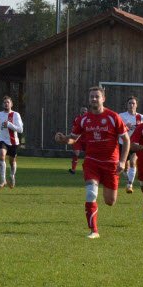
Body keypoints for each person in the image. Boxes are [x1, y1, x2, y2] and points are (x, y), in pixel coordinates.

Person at [54, 86, 129, 239]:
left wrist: (122, 161)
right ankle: (94, 230)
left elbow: (126, 140)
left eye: (97, 96)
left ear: (103, 99)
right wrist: (63, 139)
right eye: (91, 97)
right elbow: (73, 138)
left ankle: (96, 221)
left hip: (111, 164)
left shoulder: (113, 117)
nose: (94, 99)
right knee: (91, 193)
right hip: (91, 162)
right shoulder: (84, 119)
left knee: (110, 201)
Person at [0, 95, 24, 188]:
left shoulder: (16, 115)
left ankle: (12, 176)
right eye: (4, 102)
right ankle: (3, 180)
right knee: (1, 155)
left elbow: (20, 129)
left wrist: (9, 124)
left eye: (8, 102)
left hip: (13, 141)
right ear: (2, 104)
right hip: (2, 139)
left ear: (11, 104)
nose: (6, 104)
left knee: (12, 162)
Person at [118, 96, 143, 194]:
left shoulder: (141, 117)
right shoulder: (121, 116)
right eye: (129, 103)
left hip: (135, 144)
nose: (131, 105)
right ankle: (127, 174)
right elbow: (117, 130)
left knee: (133, 162)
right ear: (127, 105)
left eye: (133, 103)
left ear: (136, 105)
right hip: (123, 144)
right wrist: (125, 127)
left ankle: (129, 185)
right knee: (122, 166)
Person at [68, 107, 87, 174]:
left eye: (85, 110)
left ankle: (86, 169)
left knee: (88, 155)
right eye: (82, 110)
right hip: (77, 139)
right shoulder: (77, 119)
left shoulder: (89, 119)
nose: (84, 111)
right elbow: (74, 128)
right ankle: (73, 169)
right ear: (80, 111)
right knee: (76, 153)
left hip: (86, 139)